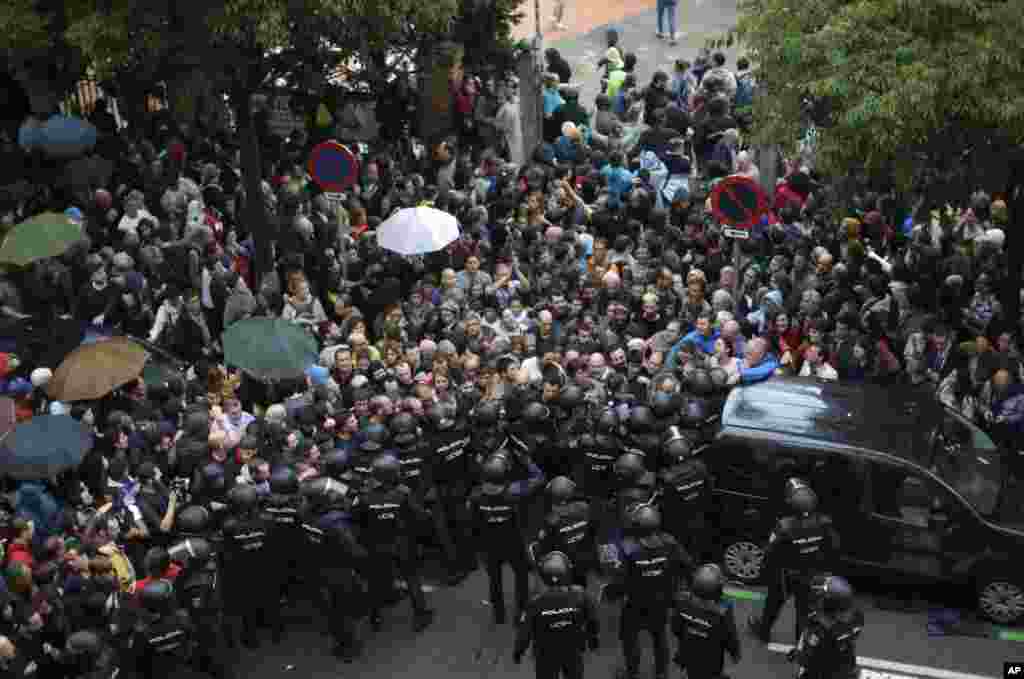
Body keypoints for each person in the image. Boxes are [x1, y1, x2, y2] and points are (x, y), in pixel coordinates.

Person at [351, 453, 436, 632]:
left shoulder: (365, 496)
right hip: (401, 543)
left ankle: (375, 618)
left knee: (375, 581)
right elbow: (419, 516)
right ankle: (421, 616)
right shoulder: (403, 494)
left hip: (375, 544)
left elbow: (356, 520)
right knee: (411, 578)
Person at [748, 478, 838, 644]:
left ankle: (764, 631)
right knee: (803, 611)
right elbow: (833, 548)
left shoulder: (784, 526)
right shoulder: (824, 523)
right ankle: (800, 643)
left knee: (773, 605)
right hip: (810, 573)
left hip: (784, 575)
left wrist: (765, 570)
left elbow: (769, 552)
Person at [468, 449, 546, 624]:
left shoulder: (476, 496)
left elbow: (474, 524)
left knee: (494, 579)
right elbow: (539, 478)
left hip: (489, 544)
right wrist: (528, 463)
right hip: (513, 543)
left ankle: (499, 615)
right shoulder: (515, 491)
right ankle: (520, 613)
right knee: (521, 577)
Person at [616, 504, 693, 679]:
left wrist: (614, 594)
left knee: (630, 638)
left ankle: (632, 673)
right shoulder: (669, 542)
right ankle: (661, 673)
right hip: (662, 600)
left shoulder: (628, 548)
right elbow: (688, 566)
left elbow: (620, 580)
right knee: (659, 635)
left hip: (635, 602)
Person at [513, 551, 600, 679]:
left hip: (545, 654)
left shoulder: (535, 603)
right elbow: (593, 620)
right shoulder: (581, 595)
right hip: (573, 650)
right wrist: (593, 640)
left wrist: (518, 651)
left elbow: (525, 631)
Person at [220, 484, 269, 649]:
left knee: (247, 604)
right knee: (260, 597)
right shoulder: (264, 520)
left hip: (239, 570)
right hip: (261, 566)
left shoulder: (229, 525)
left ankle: (250, 637)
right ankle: (261, 625)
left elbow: (226, 552)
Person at [671, 563, 741, 679]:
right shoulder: (722, 611)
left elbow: (676, 628)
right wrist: (735, 653)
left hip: (687, 652)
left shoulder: (682, 602)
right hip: (712, 658)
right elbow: (729, 635)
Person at [790, 575, 863, 679]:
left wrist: (796, 655)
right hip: (847, 668)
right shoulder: (857, 618)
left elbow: (805, 659)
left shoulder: (818, 630)